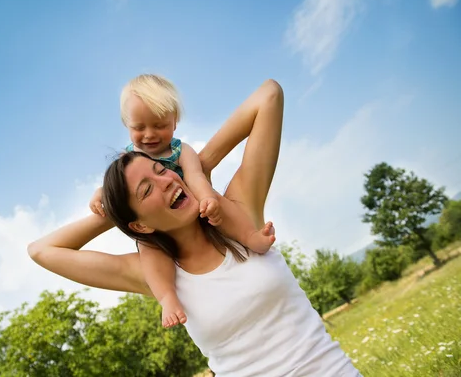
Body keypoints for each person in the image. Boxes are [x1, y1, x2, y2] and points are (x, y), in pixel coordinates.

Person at [28, 79, 362, 376]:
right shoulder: (157, 275)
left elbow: (269, 95)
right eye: (146, 190)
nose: (165, 181)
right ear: (139, 224)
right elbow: (41, 251)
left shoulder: (239, 216)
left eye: (161, 170)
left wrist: (197, 167)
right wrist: (111, 211)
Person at [88, 74, 275, 328]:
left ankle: (250, 237)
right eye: (139, 127)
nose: (149, 135)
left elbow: (196, 176)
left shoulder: (181, 151)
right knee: (149, 250)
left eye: (159, 125)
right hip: (158, 229)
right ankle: (167, 296)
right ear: (126, 125)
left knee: (221, 200)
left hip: (191, 197)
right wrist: (102, 195)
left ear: (174, 121)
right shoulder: (128, 158)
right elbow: (116, 187)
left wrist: (208, 197)